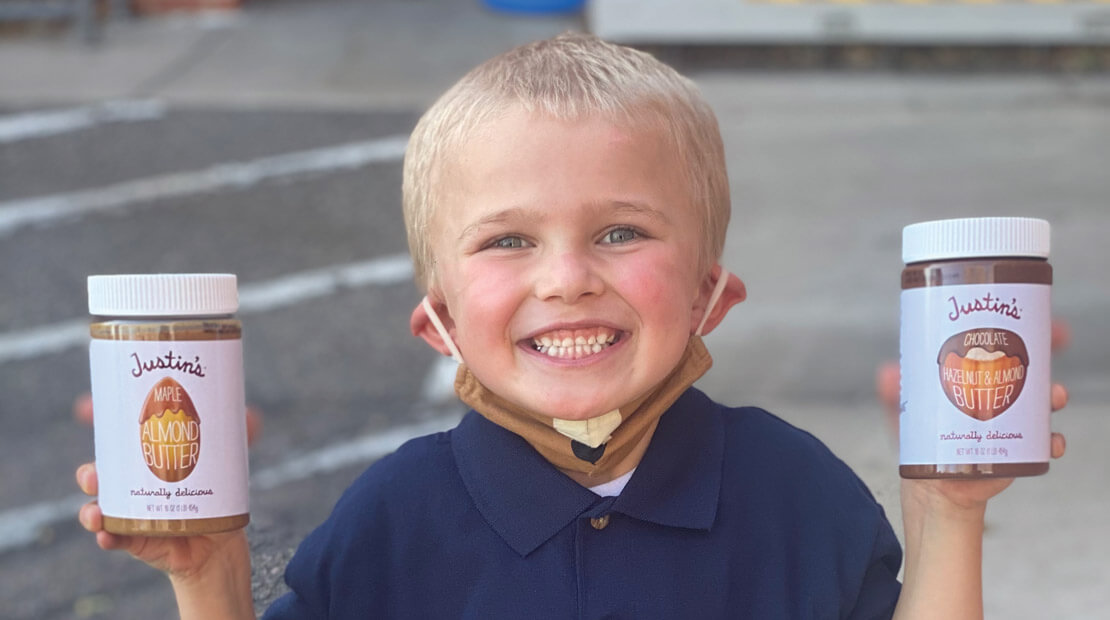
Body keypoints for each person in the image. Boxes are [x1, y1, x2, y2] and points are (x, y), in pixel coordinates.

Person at [75, 33, 1069, 618]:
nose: (567, 277)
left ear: (710, 294)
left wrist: (951, 510)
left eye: (620, 230)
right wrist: (209, 575)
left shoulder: (796, 492)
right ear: (441, 323)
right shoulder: (392, 519)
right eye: (507, 240)